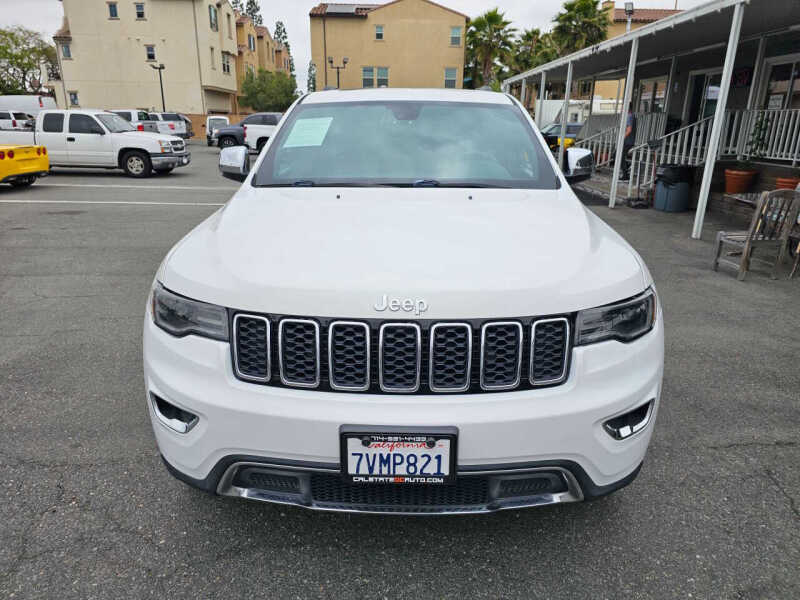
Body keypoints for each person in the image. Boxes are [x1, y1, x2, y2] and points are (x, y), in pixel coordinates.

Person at [620, 103, 637, 181]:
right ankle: (627, 166)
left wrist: (622, 138)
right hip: (628, 141)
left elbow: (629, 130)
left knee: (619, 157)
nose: (622, 109)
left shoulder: (630, 116)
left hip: (627, 141)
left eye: (623, 107)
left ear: (627, 108)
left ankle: (625, 176)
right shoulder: (631, 116)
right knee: (618, 156)